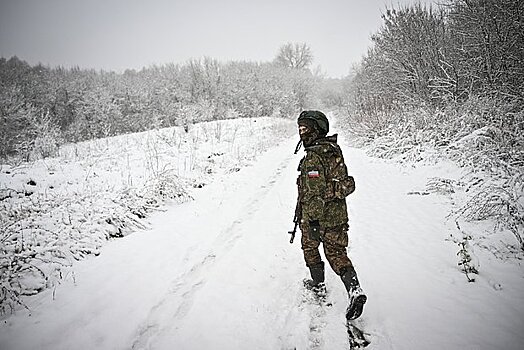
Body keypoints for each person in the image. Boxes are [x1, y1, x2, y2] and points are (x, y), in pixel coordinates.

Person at [293, 110, 366, 321]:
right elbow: (345, 183)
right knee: (337, 253)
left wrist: (313, 221)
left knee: (310, 248)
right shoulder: (333, 149)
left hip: (317, 218)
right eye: (299, 128)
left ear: (317, 129)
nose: (301, 133)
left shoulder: (313, 158)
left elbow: (314, 194)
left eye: (305, 128)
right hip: (338, 217)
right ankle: (355, 290)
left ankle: (318, 284)